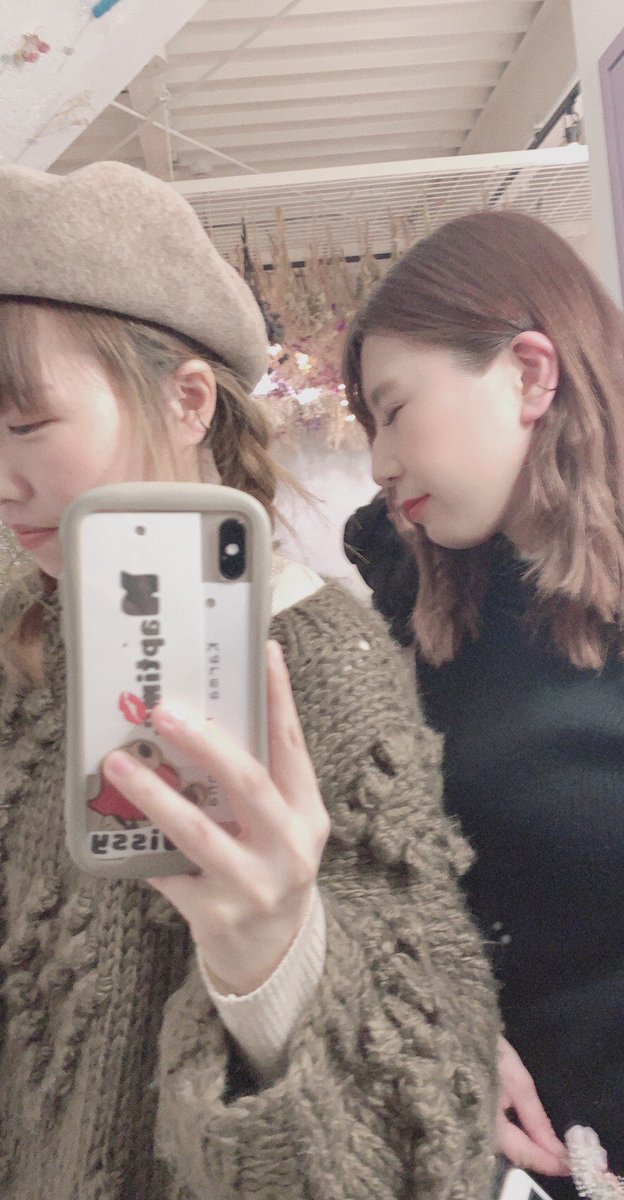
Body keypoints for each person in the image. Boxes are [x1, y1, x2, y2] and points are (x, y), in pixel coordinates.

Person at [0, 162, 500, 1200]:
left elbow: (425, 1146)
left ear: (187, 400)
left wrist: (272, 956)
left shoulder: (323, 663)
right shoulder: (18, 626)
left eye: (24, 426)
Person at [342, 210, 624, 1200]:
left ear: (531, 374)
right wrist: (441, 1014)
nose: (378, 462)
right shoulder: (417, 612)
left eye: (394, 411)